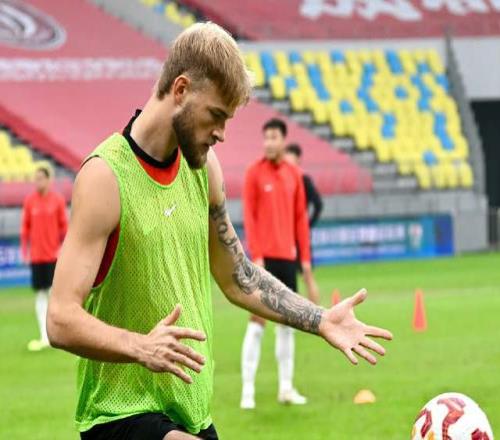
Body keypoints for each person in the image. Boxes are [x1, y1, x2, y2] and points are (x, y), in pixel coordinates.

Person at [47, 22, 392, 440]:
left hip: (192, 414)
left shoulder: (203, 169)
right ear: (180, 89)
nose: (222, 134)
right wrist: (141, 346)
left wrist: (321, 319)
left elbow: (238, 276)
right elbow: (60, 318)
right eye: (216, 115)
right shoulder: (105, 177)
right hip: (118, 416)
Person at [240, 119, 320, 410]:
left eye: (274, 137)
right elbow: (249, 217)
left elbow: (301, 221)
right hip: (263, 260)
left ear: (284, 141)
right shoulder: (253, 172)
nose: (269, 142)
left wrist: (306, 267)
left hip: (287, 259)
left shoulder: (294, 174)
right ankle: (247, 390)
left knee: (288, 325)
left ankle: (286, 388)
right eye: (266, 137)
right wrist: (256, 256)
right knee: (257, 322)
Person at [20, 163, 67, 352]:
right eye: (36, 178)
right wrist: (25, 251)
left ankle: (58, 335)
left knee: (54, 296)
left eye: (41, 178)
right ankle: (44, 336)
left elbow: (64, 227)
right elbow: (25, 228)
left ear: (48, 180)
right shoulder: (30, 201)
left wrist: (62, 249)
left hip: (52, 257)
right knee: (40, 295)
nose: (37, 182)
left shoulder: (57, 200)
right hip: (36, 257)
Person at [284, 143, 323, 228]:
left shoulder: (304, 179)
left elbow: (318, 204)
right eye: (286, 162)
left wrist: (309, 225)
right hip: (285, 229)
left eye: (291, 161)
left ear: (298, 160)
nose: (288, 165)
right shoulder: (282, 180)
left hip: (300, 229)